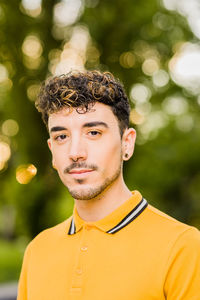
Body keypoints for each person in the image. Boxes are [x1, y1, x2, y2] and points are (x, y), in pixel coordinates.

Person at [17, 70, 200, 300]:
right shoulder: (38, 250)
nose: (75, 153)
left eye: (93, 132)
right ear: (52, 151)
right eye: (62, 137)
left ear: (127, 143)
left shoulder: (182, 247)